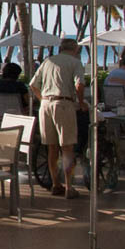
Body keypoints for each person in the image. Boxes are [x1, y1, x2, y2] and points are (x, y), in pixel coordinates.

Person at [28, 38, 87, 199]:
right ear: (75, 50)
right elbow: (79, 84)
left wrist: (43, 100)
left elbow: (33, 85)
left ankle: (55, 184)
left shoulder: (48, 61)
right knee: (67, 147)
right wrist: (81, 102)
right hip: (63, 103)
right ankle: (69, 187)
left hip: (46, 104)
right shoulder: (75, 62)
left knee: (51, 147)